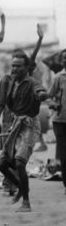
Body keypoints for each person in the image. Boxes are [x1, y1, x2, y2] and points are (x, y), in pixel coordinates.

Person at [0, 52, 48, 212]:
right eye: (13, 65)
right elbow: (1, 102)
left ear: (26, 68)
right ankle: (21, 188)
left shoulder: (32, 83)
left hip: (30, 125)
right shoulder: (10, 82)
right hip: (16, 124)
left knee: (19, 162)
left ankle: (26, 202)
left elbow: (40, 91)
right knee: (2, 164)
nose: (15, 69)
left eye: (18, 66)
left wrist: (42, 95)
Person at [48, 49, 66, 195]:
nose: (65, 61)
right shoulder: (59, 77)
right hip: (60, 121)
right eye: (64, 59)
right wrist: (54, 105)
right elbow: (49, 96)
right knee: (63, 153)